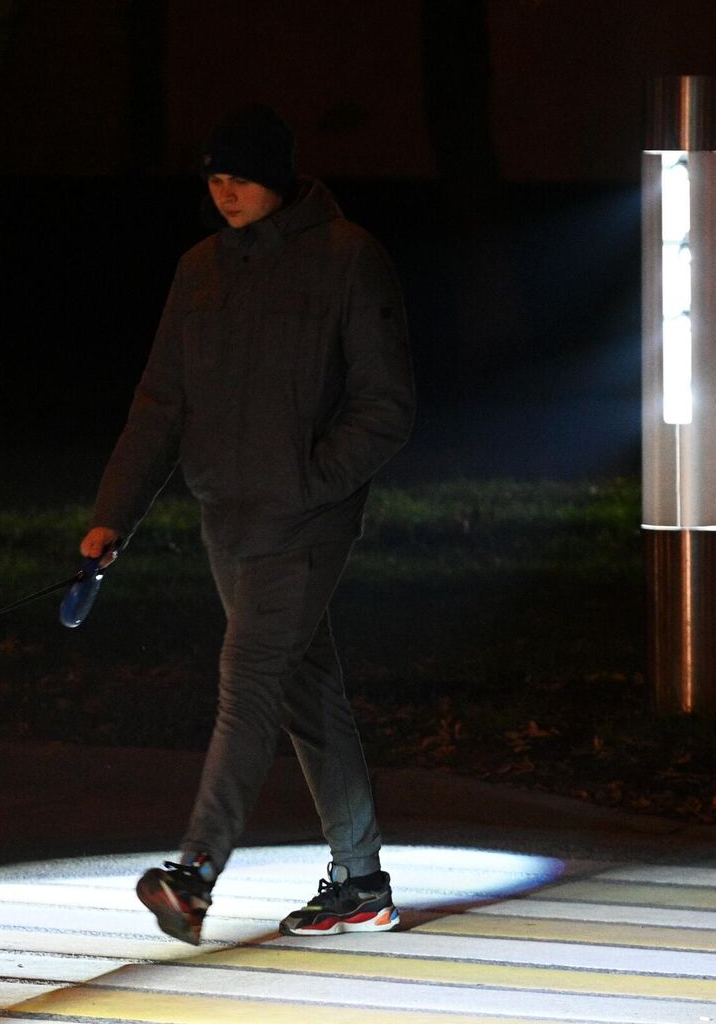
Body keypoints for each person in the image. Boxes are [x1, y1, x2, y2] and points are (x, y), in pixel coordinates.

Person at [81, 102, 415, 944]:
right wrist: (110, 516)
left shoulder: (347, 258)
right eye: (214, 178)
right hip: (225, 518)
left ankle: (193, 874)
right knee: (304, 689)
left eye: (239, 177)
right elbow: (159, 405)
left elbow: (387, 405)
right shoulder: (200, 269)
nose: (224, 192)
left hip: (303, 524)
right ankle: (362, 881)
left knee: (250, 683)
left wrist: (313, 481)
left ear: (279, 177)